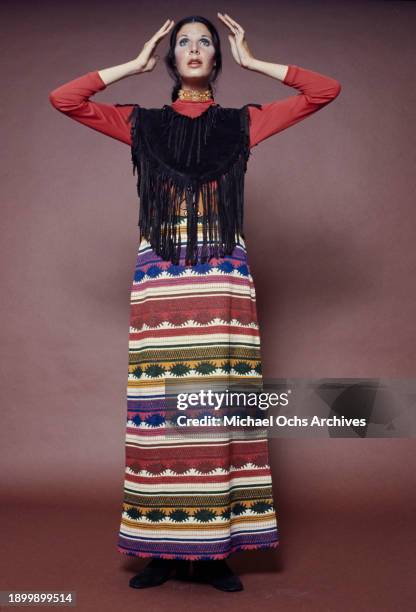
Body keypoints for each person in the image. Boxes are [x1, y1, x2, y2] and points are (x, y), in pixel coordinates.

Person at [49, 13, 341, 592]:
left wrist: (257, 61)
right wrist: (130, 66)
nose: (194, 48)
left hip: (221, 278)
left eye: (205, 41)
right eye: (183, 41)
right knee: (160, 414)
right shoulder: (142, 125)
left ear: (217, 58)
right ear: (170, 57)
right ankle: (162, 547)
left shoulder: (242, 124)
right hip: (161, 277)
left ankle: (215, 550)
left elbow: (324, 91)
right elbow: (64, 98)